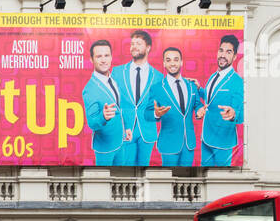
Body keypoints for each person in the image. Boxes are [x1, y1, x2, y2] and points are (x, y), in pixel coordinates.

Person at [110, 29, 163, 165]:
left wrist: (157, 115)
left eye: (138, 43)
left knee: (144, 171)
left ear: (148, 48)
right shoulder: (117, 72)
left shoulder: (158, 77)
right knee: (125, 169)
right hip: (125, 128)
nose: (134, 46)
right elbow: (112, 101)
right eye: (132, 43)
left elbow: (157, 106)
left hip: (147, 131)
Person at [144, 46, 201, 166]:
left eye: (176, 59)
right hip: (169, 144)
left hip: (189, 144)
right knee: (168, 181)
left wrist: (200, 111)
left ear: (181, 62)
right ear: (164, 63)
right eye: (168, 60)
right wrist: (156, 114)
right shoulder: (157, 88)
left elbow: (197, 104)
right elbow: (147, 114)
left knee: (187, 181)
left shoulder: (191, 85)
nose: (172, 63)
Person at [81, 39, 133, 166]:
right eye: (99, 56)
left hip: (121, 142)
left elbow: (120, 107)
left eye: (106, 55)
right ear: (91, 60)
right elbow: (92, 123)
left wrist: (126, 127)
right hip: (104, 148)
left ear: (111, 57)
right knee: (102, 183)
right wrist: (102, 116)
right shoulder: (89, 89)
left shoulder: (114, 80)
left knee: (120, 182)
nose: (104, 60)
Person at [195, 35, 244, 167]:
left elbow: (240, 113)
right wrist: (199, 89)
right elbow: (211, 100)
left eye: (228, 52)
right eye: (221, 50)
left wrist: (233, 114)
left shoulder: (237, 82)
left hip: (223, 140)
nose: (223, 55)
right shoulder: (213, 76)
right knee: (204, 175)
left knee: (220, 179)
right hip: (206, 136)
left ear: (234, 57)